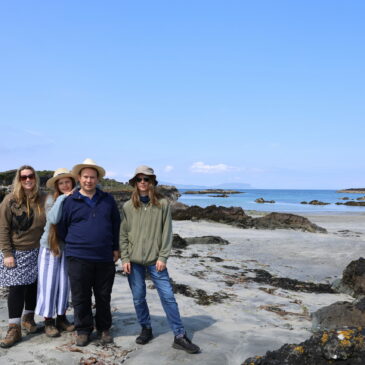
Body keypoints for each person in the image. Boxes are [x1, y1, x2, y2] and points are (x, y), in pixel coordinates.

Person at [120, 165, 200, 354]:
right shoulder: (128, 207)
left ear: (152, 182)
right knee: (139, 298)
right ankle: (146, 329)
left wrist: (163, 256)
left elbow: (167, 232)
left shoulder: (162, 204)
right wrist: (125, 258)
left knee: (168, 297)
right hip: (134, 261)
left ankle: (179, 335)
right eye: (139, 179)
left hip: (157, 260)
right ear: (134, 183)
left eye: (146, 179)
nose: (142, 183)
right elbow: (123, 234)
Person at [57, 158, 121, 346]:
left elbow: (116, 224)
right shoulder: (70, 201)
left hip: (104, 256)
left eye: (92, 177)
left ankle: (103, 328)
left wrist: (116, 247)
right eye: (85, 177)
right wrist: (76, 243)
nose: (89, 181)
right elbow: (62, 227)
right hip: (78, 256)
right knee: (80, 296)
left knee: (103, 295)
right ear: (79, 178)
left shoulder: (107, 199)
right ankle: (83, 329)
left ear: (98, 179)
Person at [0, 165, 47, 348]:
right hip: (16, 251)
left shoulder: (43, 199)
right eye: (23, 177)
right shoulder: (9, 200)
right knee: (16, 288)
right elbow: (3, 229)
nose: (28, 180)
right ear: (19, 180)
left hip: (39, 251)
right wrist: (7, 253)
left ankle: (29, 317)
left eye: (31, 176)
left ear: (36, 178)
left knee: (33, 286)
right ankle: (14, 327)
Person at [35, 168, 76, 337]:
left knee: (64, 285)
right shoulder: (52, 200)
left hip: (66, 247)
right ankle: (48, 321)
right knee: (48, 285)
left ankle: (61, 318)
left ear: (72, 183)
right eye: (61, 182)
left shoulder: (76, 199)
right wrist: (64, 198)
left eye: (67, 181)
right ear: (57, 185)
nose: (65, 185)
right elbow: (53, 219)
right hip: (50, 247)